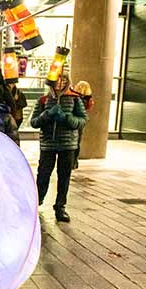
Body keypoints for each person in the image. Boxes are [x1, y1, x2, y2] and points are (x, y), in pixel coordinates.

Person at [30, 73, 87, 223]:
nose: (60, 83)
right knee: (43, 174)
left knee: (64, 176)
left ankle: (60, 206)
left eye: (64, 80)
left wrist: (67, 118)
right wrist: (47, 115)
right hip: (48, 144)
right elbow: (34, 122)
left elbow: (82, 120)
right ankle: (37, 201)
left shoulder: (75, 99)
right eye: (58, 80)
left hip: (67, 145)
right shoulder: (43, 100)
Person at [69, 80, 94, 169]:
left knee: (71, 141)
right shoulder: (88, 99)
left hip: (72, 121)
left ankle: (71, 161)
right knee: (77, 142)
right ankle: (75, 162)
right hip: (80, 122)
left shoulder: (74, 97)